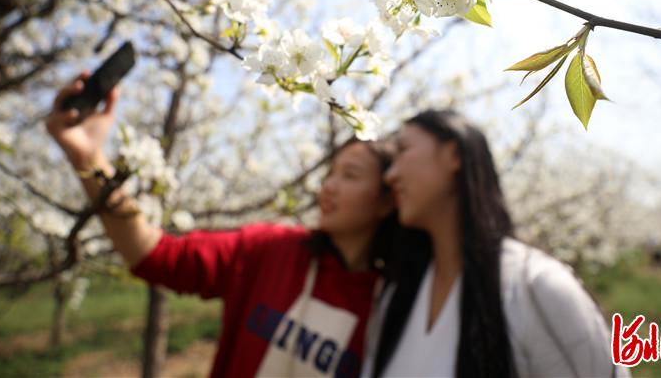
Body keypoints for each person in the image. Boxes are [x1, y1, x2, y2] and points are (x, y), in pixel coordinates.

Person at [46, 71, 398, 378]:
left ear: (387, 199)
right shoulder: (272, 252)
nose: (328, 187)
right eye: (330, 174)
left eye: (349, 176)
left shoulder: (398, 305)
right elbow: (155, 254)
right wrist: (89, 158)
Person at [363, 109, 629, 378]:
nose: (390, 176)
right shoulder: (395, 296)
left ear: (454, 154)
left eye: (404, 150)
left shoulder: (536, 287)